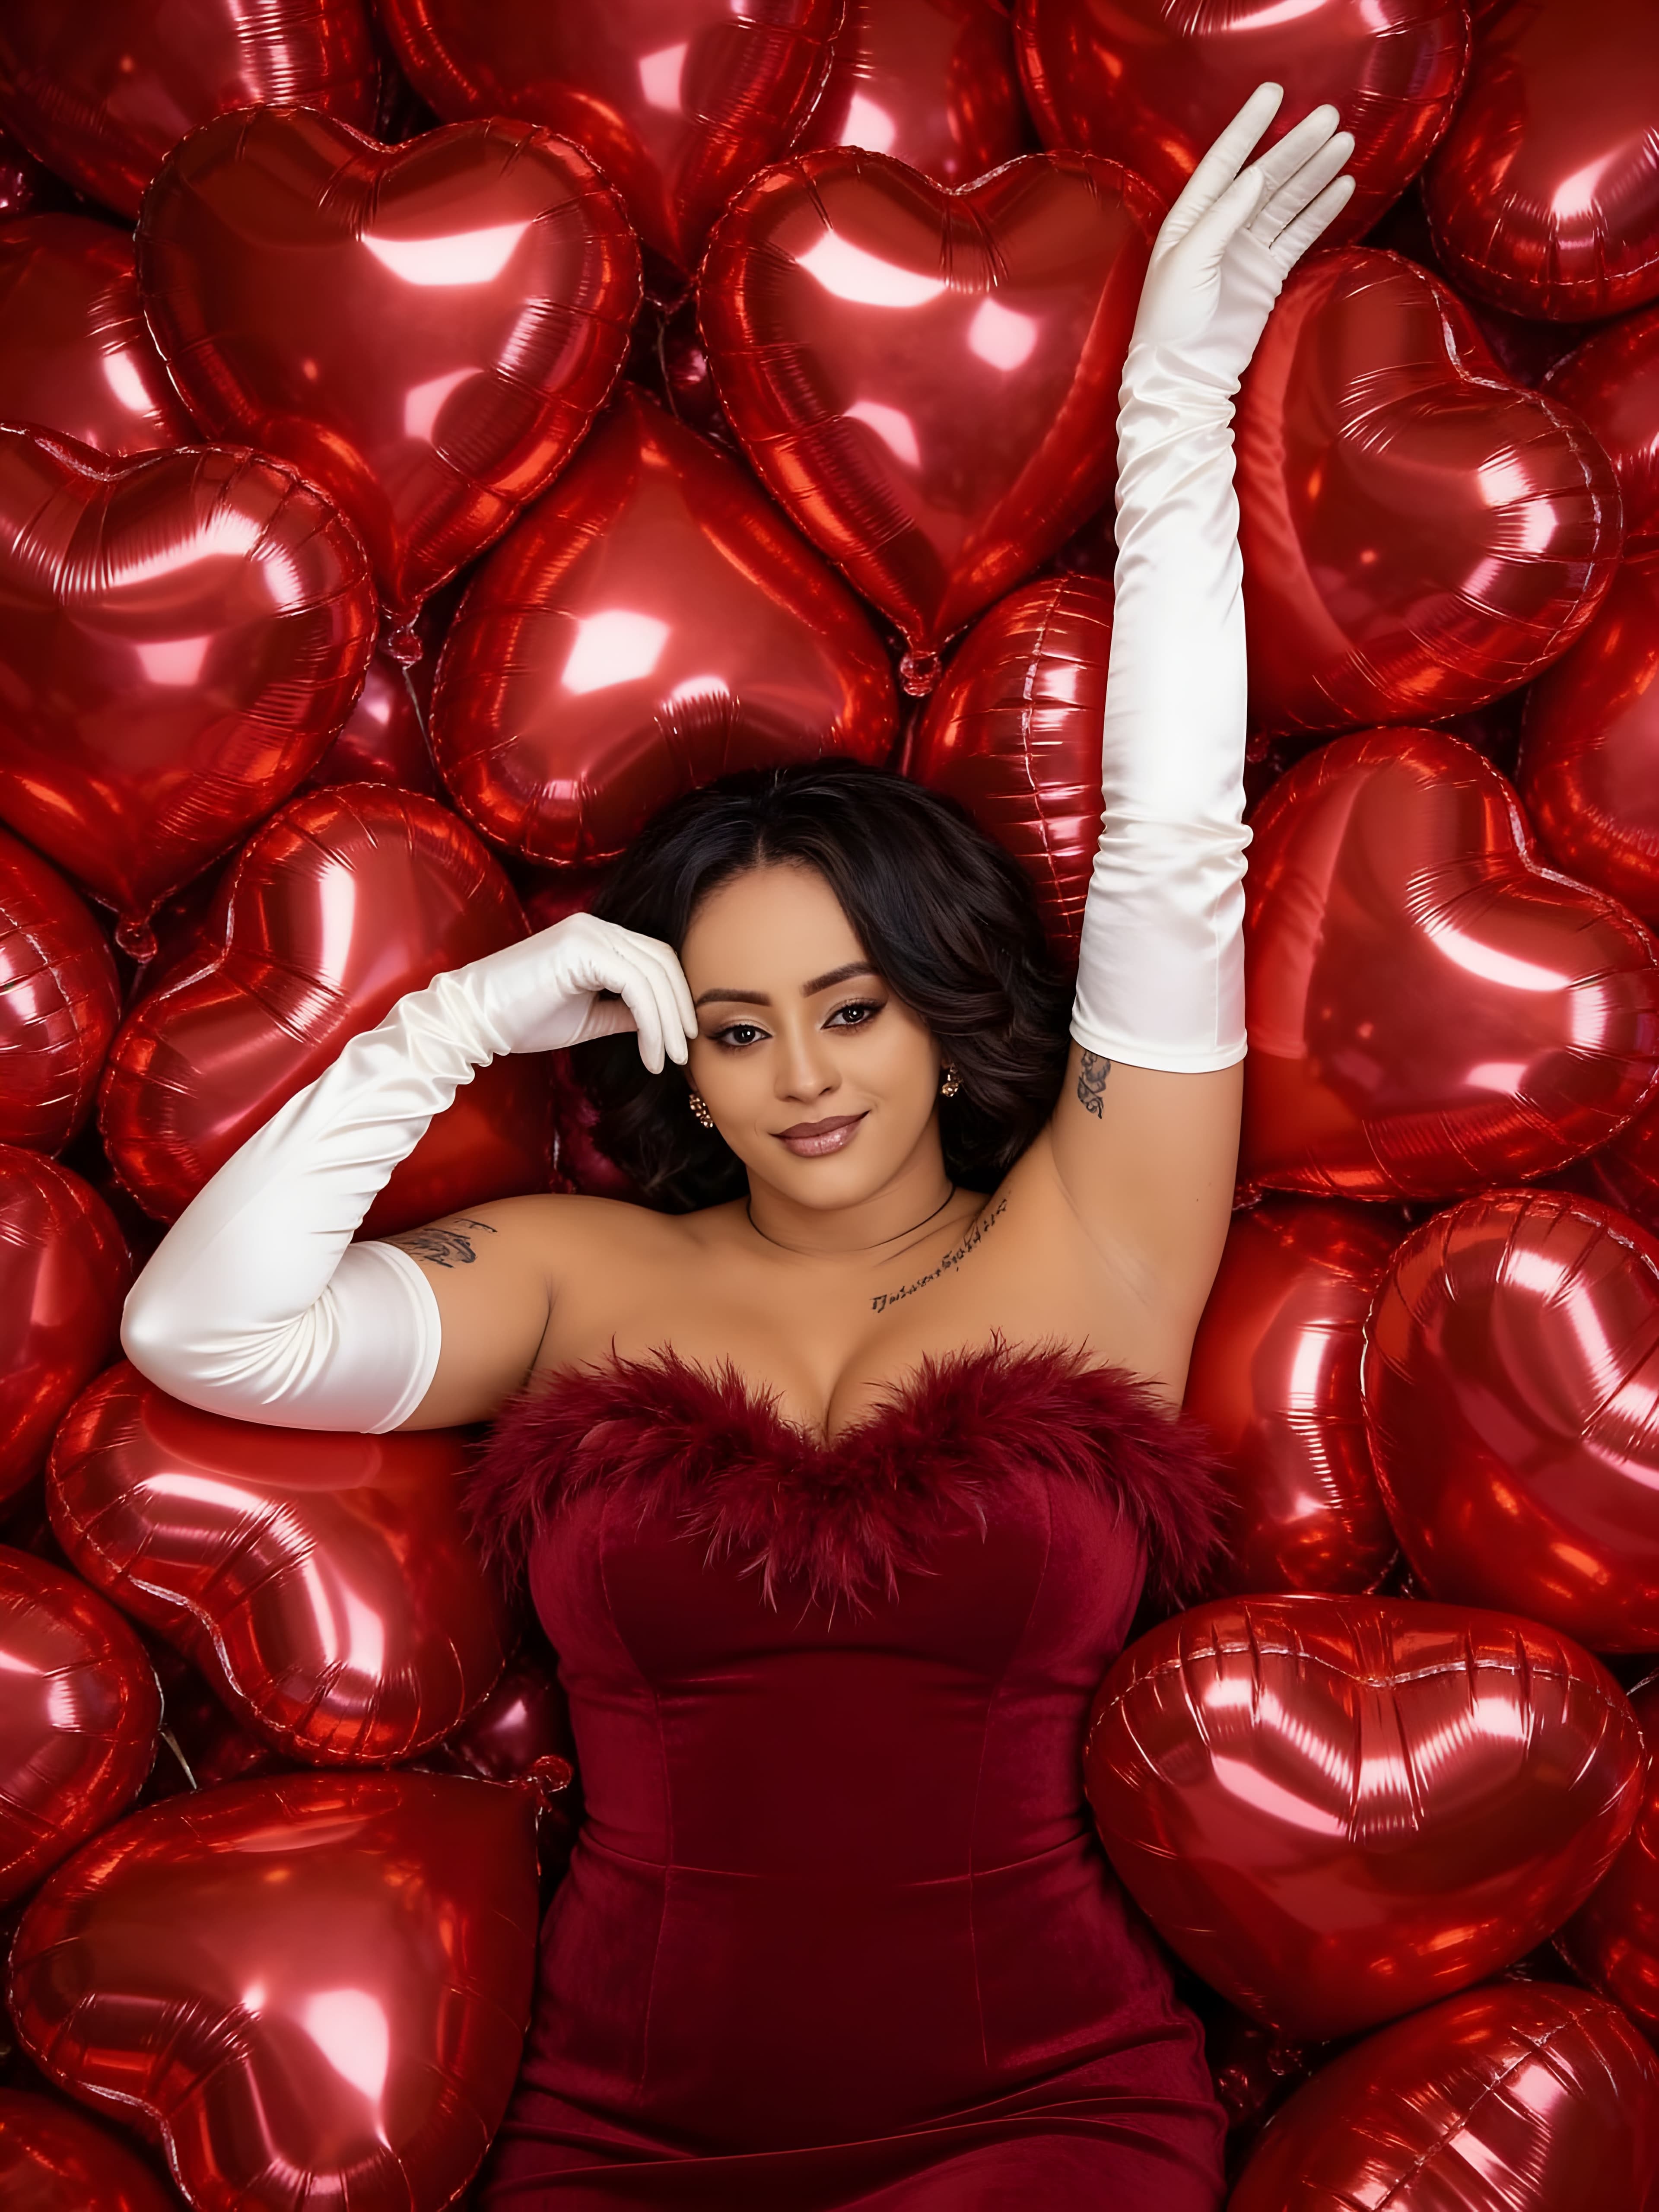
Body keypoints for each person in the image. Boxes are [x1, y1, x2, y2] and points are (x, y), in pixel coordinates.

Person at [121, 86, 1354, 2212]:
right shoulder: (587, 1279)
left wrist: (1171, 409)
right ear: (671, 1048)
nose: (803, 1076)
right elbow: (201, 1330)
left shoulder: (1098, 1223)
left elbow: (1172, 854)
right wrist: (473, 1011)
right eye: (744, 1021)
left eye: (854, 1009)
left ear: (944, 1017)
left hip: (1044, 2121)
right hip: (619, 2144)